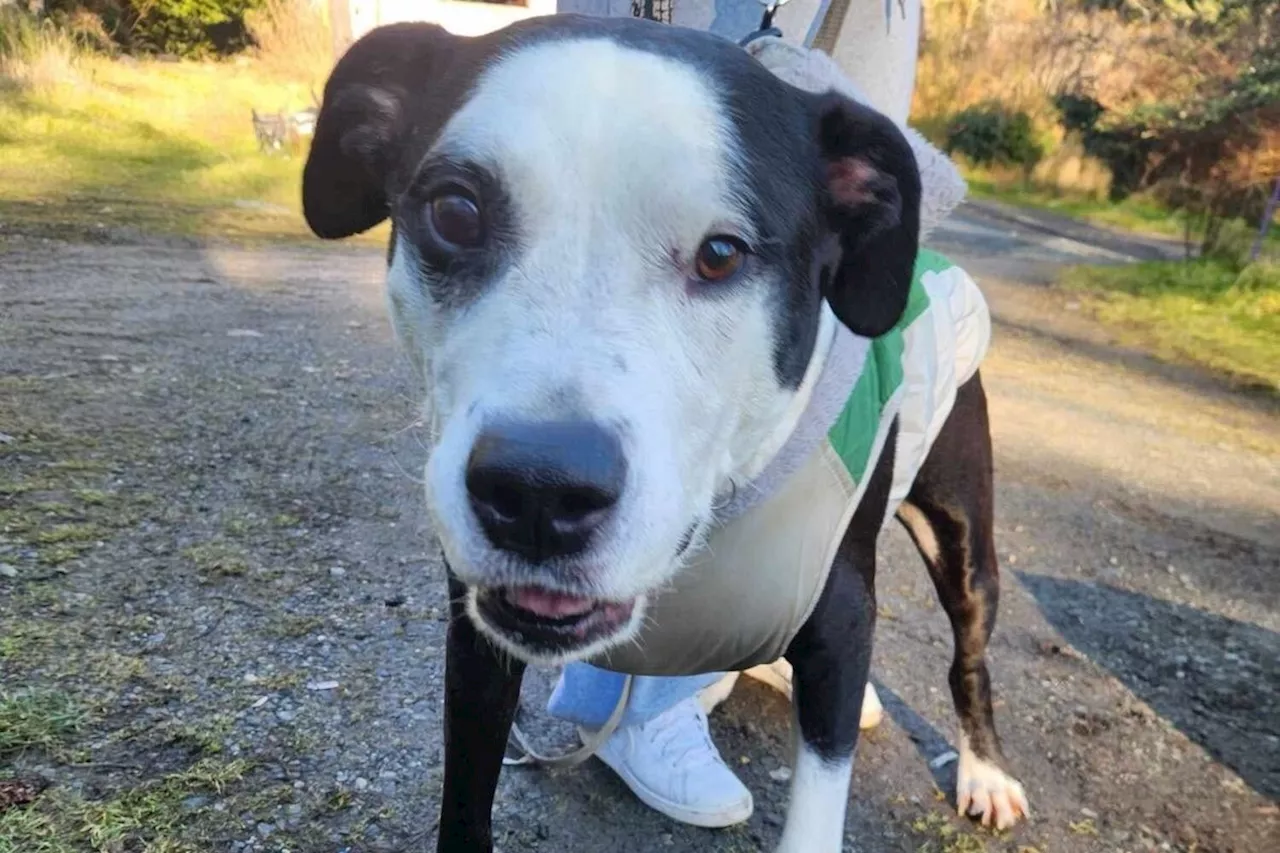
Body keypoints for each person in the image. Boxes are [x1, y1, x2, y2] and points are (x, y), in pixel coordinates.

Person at [533, 0, 959, 830]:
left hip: (854, 31)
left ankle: (773, 623)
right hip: (679, 27)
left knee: (780, 429)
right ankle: (641, 699)